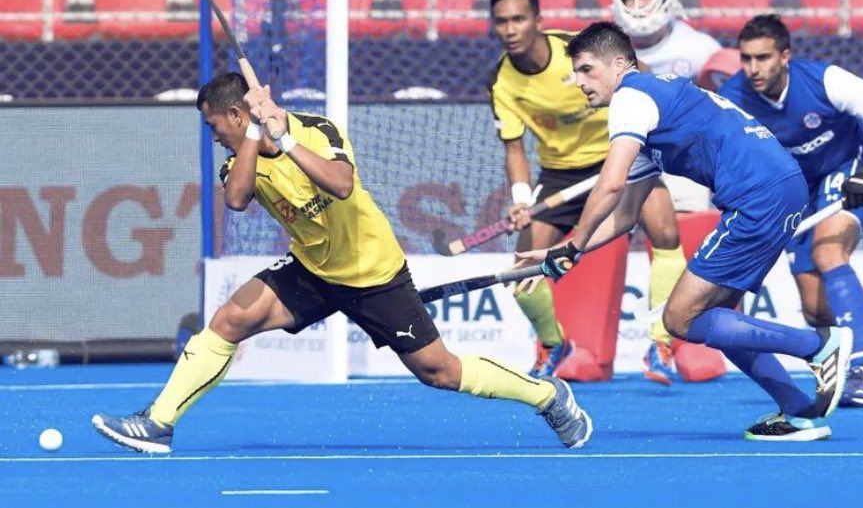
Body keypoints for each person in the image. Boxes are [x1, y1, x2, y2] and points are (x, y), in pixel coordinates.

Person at [91, 72, 592, 453]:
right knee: (230, 319)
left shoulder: (316, 129)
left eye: (214, 124)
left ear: (233, 114)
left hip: (374, 273)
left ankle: (547, 396)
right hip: (311, 271)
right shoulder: (238, 156)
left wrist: (284, 139)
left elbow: (341, 183)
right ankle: (159, 423)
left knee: (439, 371)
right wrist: (251, 137)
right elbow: (238, 199)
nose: (213, 134)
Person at [516, 21, 855, 441]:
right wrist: (570, 250)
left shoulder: (632, 97)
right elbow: (623, 216)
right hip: (778, 188)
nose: (579, 82)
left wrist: (572, 245)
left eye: (586, 69)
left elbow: (610, 182)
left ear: (619, 63)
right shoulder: (653, 105)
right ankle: (799, 410)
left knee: (680, 318)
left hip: (757, 196)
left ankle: (818, 345)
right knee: (719, 317)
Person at [719, 15, 863, 405]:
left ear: (786, 56)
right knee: (819, 311)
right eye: (746, 59)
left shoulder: (826, 81)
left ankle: (861, 371)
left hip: (847, 170)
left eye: (763, 58)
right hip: (794, 189)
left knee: (829, 251)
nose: (753, 69)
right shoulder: (732, 98)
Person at [489, 0, 687, 385]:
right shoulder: (501, 81)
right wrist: (522, 198)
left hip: (620, 150)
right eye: (501, 22)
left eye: (519, 19)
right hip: (561, 171)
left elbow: (639, 74)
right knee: (523, 267)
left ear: (538, 21)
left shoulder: (574, 51)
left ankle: (661, 343)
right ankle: (552, 343)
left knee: (666, 231)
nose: (510, 29)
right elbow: (514, 149)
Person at [611, 0, 722, 214]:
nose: (638, 7)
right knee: (609, 227)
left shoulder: (699, 49)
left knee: (685, 226)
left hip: (681, 154)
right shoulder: (605, 47)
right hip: (626, 151)